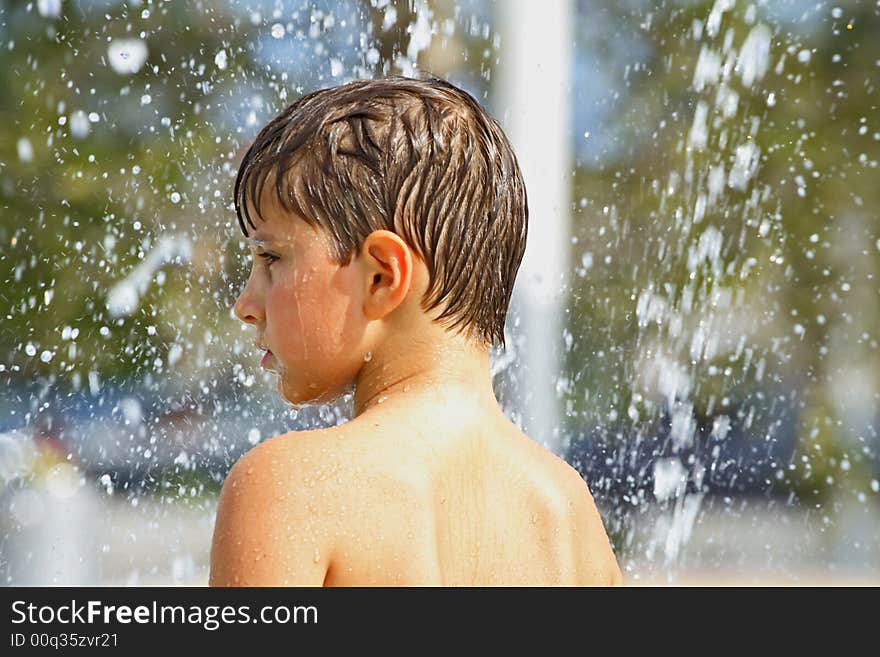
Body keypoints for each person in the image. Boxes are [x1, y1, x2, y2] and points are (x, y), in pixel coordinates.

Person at [209, 74, 623, 586]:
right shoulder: (567, 512)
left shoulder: (293, 486)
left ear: (381, 276)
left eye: (270, 258)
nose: (245, 305)